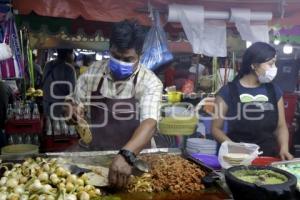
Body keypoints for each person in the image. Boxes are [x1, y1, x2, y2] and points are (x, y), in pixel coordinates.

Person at [65, 20, 163, 187]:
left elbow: (150, 123)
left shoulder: (150, 82)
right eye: (116, 57)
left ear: (140, 55)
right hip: (97, 155)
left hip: (136, 161)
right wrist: (71, 111)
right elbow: (72, 104)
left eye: (128, 59)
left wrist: (127, 155)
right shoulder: (94, 72)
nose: (121, 63)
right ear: (110, 49)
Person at [212, 42, 293, 160]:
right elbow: (216, 128)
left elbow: (280, 126)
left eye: (275, 63)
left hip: (266, 156)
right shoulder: (228, 91)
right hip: (236, 158)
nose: (274, 68)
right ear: (254, 65)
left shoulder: (274, 90)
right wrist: (234, 147)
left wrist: (284, 148)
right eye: (271, 64)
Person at [42, 49, 76, 118]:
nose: (73, 56)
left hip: (46, 106)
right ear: (68, 54)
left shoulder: (48, 65)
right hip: (59, 110)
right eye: (73, 53)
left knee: (47, 127)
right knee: (59, 128)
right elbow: (73, 93)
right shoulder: (69, 69)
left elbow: (44, 84)